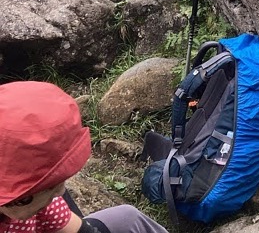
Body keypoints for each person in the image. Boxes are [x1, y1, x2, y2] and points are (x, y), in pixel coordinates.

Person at [0, 81, 169, 233]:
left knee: (128, 218)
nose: (62, 192)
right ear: (17, 198)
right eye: (50, 188)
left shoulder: (38, 207)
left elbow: (77, 228)